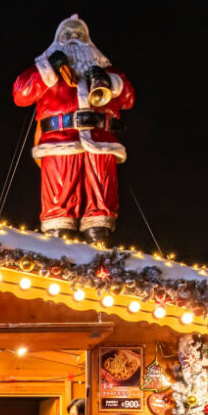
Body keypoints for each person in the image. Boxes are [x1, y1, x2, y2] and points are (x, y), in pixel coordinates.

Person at [12, 14, 134, 243]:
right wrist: (48, 67)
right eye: (67, 35)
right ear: (57, 40)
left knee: (101, 206)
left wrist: (107, 79)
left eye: (79, 35)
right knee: (59, 205)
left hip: (100, 140)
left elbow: (128, 98)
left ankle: (100, 240)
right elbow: (21, 94)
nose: (73, 39)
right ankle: (59, 242)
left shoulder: (106, 71)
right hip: (59, 139)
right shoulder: (45, 69)